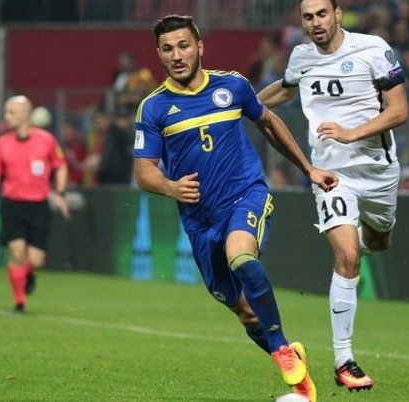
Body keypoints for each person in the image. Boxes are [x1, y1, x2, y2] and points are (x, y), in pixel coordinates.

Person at [133, 15, 338, 401]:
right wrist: (170, 186)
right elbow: (144, 173)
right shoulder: (154, 108)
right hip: (199, 221)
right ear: (158, 54)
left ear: (199, 47)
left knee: (241, 256)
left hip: (245, 195)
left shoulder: (233, 86)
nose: (177, 55)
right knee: (245, 312)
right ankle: (300, 378)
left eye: (183, 46)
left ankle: (281, 348)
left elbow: (269, 123)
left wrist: (308, 169)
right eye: (167, 49)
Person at [257, 0, 409, 391]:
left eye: (322, 14)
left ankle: (360, 244)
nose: (315, 23)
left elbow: (398, 111)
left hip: (378, 171)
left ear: (337, 14)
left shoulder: (373, 49)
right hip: (330, 173)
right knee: (347, 256)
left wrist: (350, 133)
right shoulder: (301, 57)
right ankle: (344, 360)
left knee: (379, 241)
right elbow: (286, 90)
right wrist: (244, 104)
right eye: (308, 17)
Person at [0, 96, 70, 313]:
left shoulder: (46, 140)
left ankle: (29, 274)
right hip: (12, 204)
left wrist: (60, 193)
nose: (6, 116)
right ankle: (20, 301)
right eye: (6, 112)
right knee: (17, 252)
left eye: (11, 112)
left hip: (39, 206)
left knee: (36, 260)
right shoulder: (2, 143)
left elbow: (60, 165)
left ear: (25, 115)